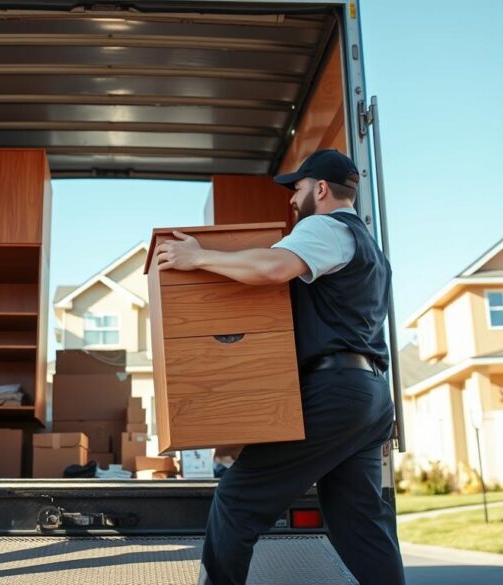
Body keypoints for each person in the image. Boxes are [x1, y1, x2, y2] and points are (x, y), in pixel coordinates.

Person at [155, 149, 405, 585]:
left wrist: (198, 258)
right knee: (361, 523)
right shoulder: (371, 249)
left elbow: (273, 267)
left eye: (298, 188)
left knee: (237, 500)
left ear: (321, 189)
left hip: (335, 391)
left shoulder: (325, 227)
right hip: (371, 398)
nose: (292, 199)